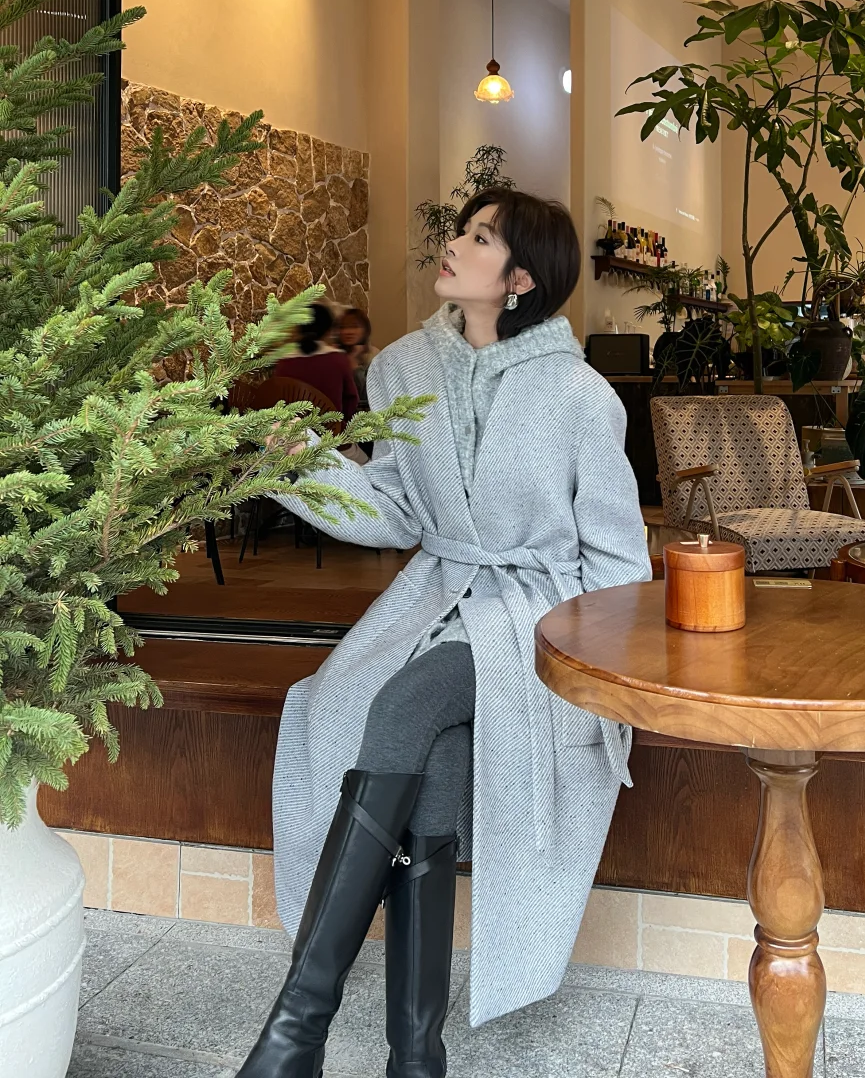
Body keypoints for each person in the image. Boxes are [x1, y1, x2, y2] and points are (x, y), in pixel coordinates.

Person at [236, 189, 649, 1078]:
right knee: (433, 753)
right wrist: (298, 467)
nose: (454, 244)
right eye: (462, 229)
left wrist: (603, 683)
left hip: (540, 619)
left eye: (480, 237)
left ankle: (294, 1034)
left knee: (402, 705)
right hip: (439, 596)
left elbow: (619, 563)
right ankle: (415, 1056)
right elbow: (395, 508)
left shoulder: (581, 396)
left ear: (521, 279)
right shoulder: (403, 370)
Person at [275, 302, 360, 424]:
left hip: (292, 432)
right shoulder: (339, 359)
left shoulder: (283, 363)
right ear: (328, 330)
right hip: (331, 431)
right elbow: (351, 400)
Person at [335, 306, 380, 409]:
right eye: (343, 327)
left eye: (354, 326)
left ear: (365, 330)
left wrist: (354, 367)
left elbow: (366, 397)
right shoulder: (335, 355)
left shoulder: (374, 355)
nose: (348, 332)